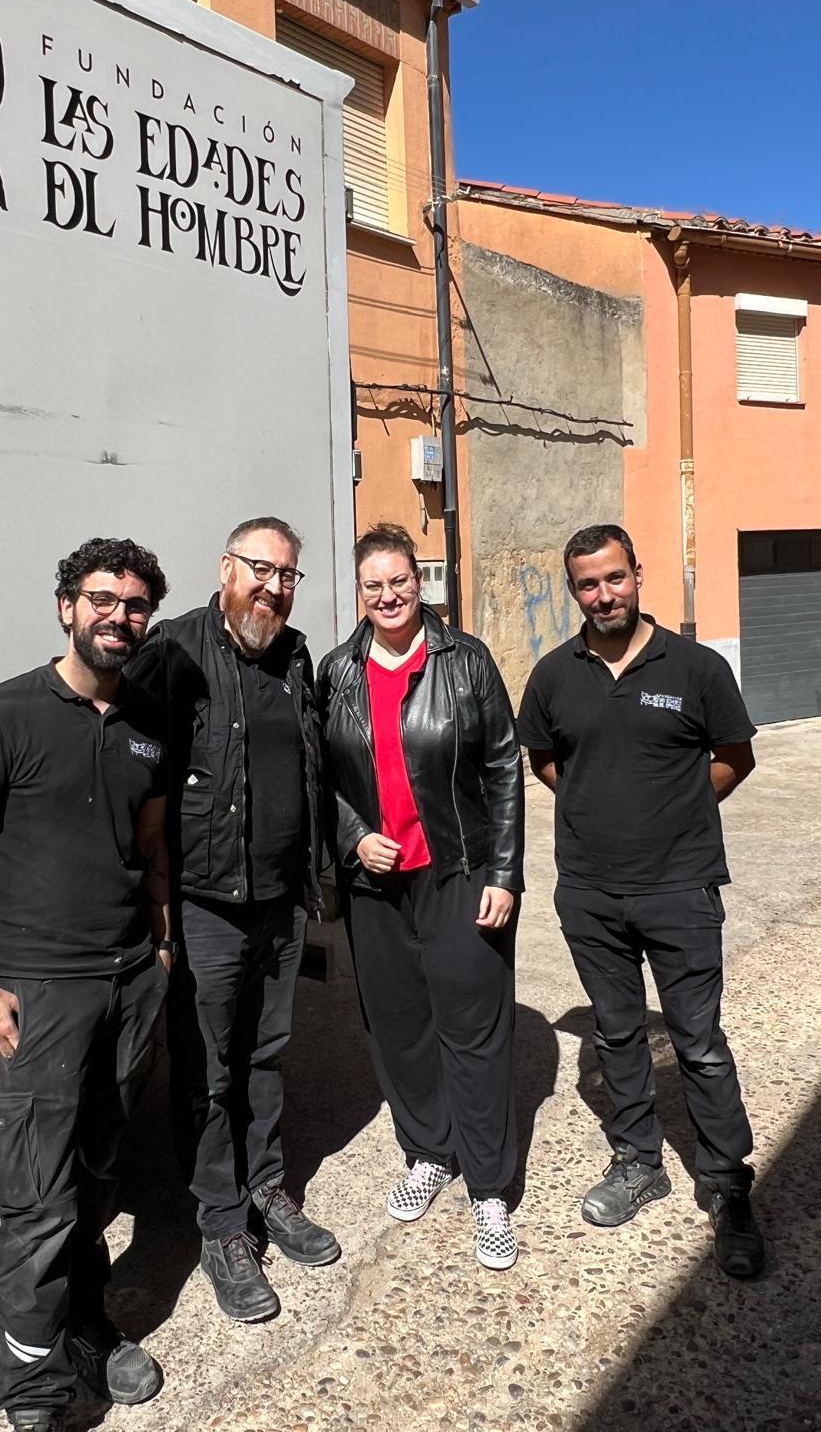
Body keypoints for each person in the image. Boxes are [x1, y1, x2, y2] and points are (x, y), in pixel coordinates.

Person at [0, 538, 175, 1432]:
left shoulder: (147, 722)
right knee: (38, 1202)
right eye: (103, 597)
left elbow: (149, 848)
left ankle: (84, 1328)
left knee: (97, 1177)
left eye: (138, 604)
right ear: (66, 605)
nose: (121, 616)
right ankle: (31, 1399)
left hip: (127, 988)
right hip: (39, 998)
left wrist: (162, 947)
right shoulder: (2, 716)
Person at [517, 523, 763, 1279]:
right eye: (587, 584)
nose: (603, 595)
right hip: (589, 891)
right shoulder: (555, 674)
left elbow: (734, 756)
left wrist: (674, 812)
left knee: (698, 1042)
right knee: (617, 1038)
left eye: (614, 578)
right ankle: (639, 1163)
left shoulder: (693, 667)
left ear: (637, 574)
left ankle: (728, 1187)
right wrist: (601, 810)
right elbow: (547, 761)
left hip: (680, 887)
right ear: (574, 592)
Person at [127, 517, 338, 1323]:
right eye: (261, 570)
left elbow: (310, 765)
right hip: (206, 905)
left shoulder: (294, 657)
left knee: (267, 1057)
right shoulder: (174, 650)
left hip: (278, 903)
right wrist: (155, 911)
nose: (274, 588)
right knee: (207, 1074)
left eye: (287, 576)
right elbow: (134, 773)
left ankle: (266, 1189)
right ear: (226, 568)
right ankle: (220, 1224)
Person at [317, 522, 525, 1270]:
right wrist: (351, 836)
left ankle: (492, 1189)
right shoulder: (337, 671)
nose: (388, 595)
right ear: (360, 591)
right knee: (399, 1028)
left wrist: (504, 872)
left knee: (473, 1028)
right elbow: (322, 779)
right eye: (373, 584)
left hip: (459, 872)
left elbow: (504, 765)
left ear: (419, 580)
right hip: (377, 886)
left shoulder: (464, 661)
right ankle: (428, 1153)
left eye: (399, 580)